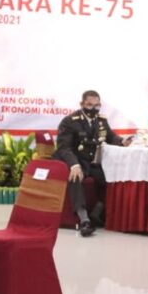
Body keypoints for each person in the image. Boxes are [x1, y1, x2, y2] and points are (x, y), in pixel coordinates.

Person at [54, 91, 127, 236]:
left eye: (96, 105)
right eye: (89, 105)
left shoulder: (101, 121)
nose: (93, 109)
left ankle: (97, 213)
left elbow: (111, 137)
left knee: (111, 178)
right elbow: (64, 148)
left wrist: (123, 141)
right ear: (82, 104)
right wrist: (74, 165)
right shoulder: (70, 121)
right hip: (73, 160)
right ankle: (84, 220)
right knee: (76, 176)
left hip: (90, 162)